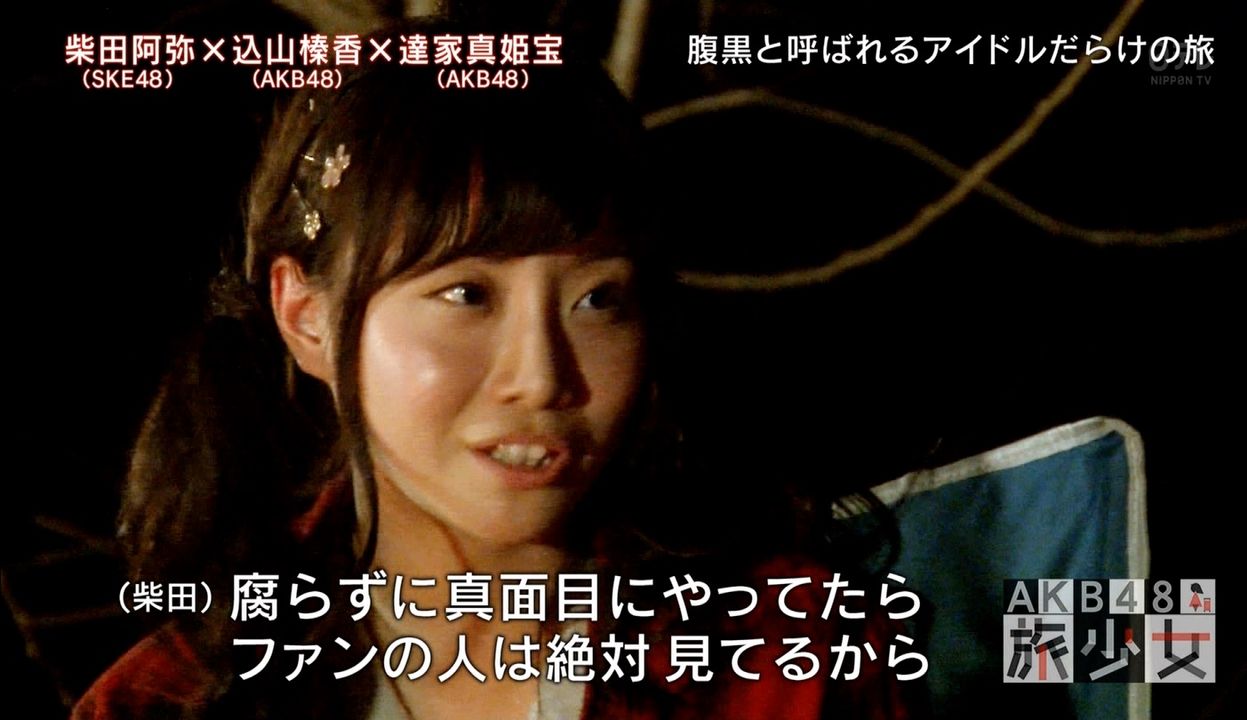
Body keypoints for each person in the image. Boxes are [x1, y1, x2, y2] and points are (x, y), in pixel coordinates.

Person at [73, 25, 914, 720]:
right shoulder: (175, 699)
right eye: (467, 294)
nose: (542, 378)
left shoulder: (781, 654)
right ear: (307, 316)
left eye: (597, 300)